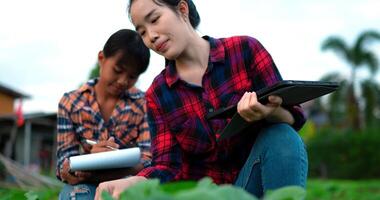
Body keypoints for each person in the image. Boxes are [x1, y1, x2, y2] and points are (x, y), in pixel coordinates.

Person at [95, 0, 308, 199]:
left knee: (281, 135)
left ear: (182, 9)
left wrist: (271, 113)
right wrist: (133, 182)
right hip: (205, 194)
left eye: (154, 19)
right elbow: (167, 165)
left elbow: (294, 118)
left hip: (251, 184)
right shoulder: (158, 94)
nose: (151, 36)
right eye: (142, 32)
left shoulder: (245, 51)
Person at [56, 29, 151, 200]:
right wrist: (87, 161)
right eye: (117, 70)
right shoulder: (71, 102)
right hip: (84, 184)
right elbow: (63, 161)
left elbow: (148, 158)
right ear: (101, 58)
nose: (123, 81)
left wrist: (116, 166)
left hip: (127, 181)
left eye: (132, 76)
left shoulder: (143, 103)